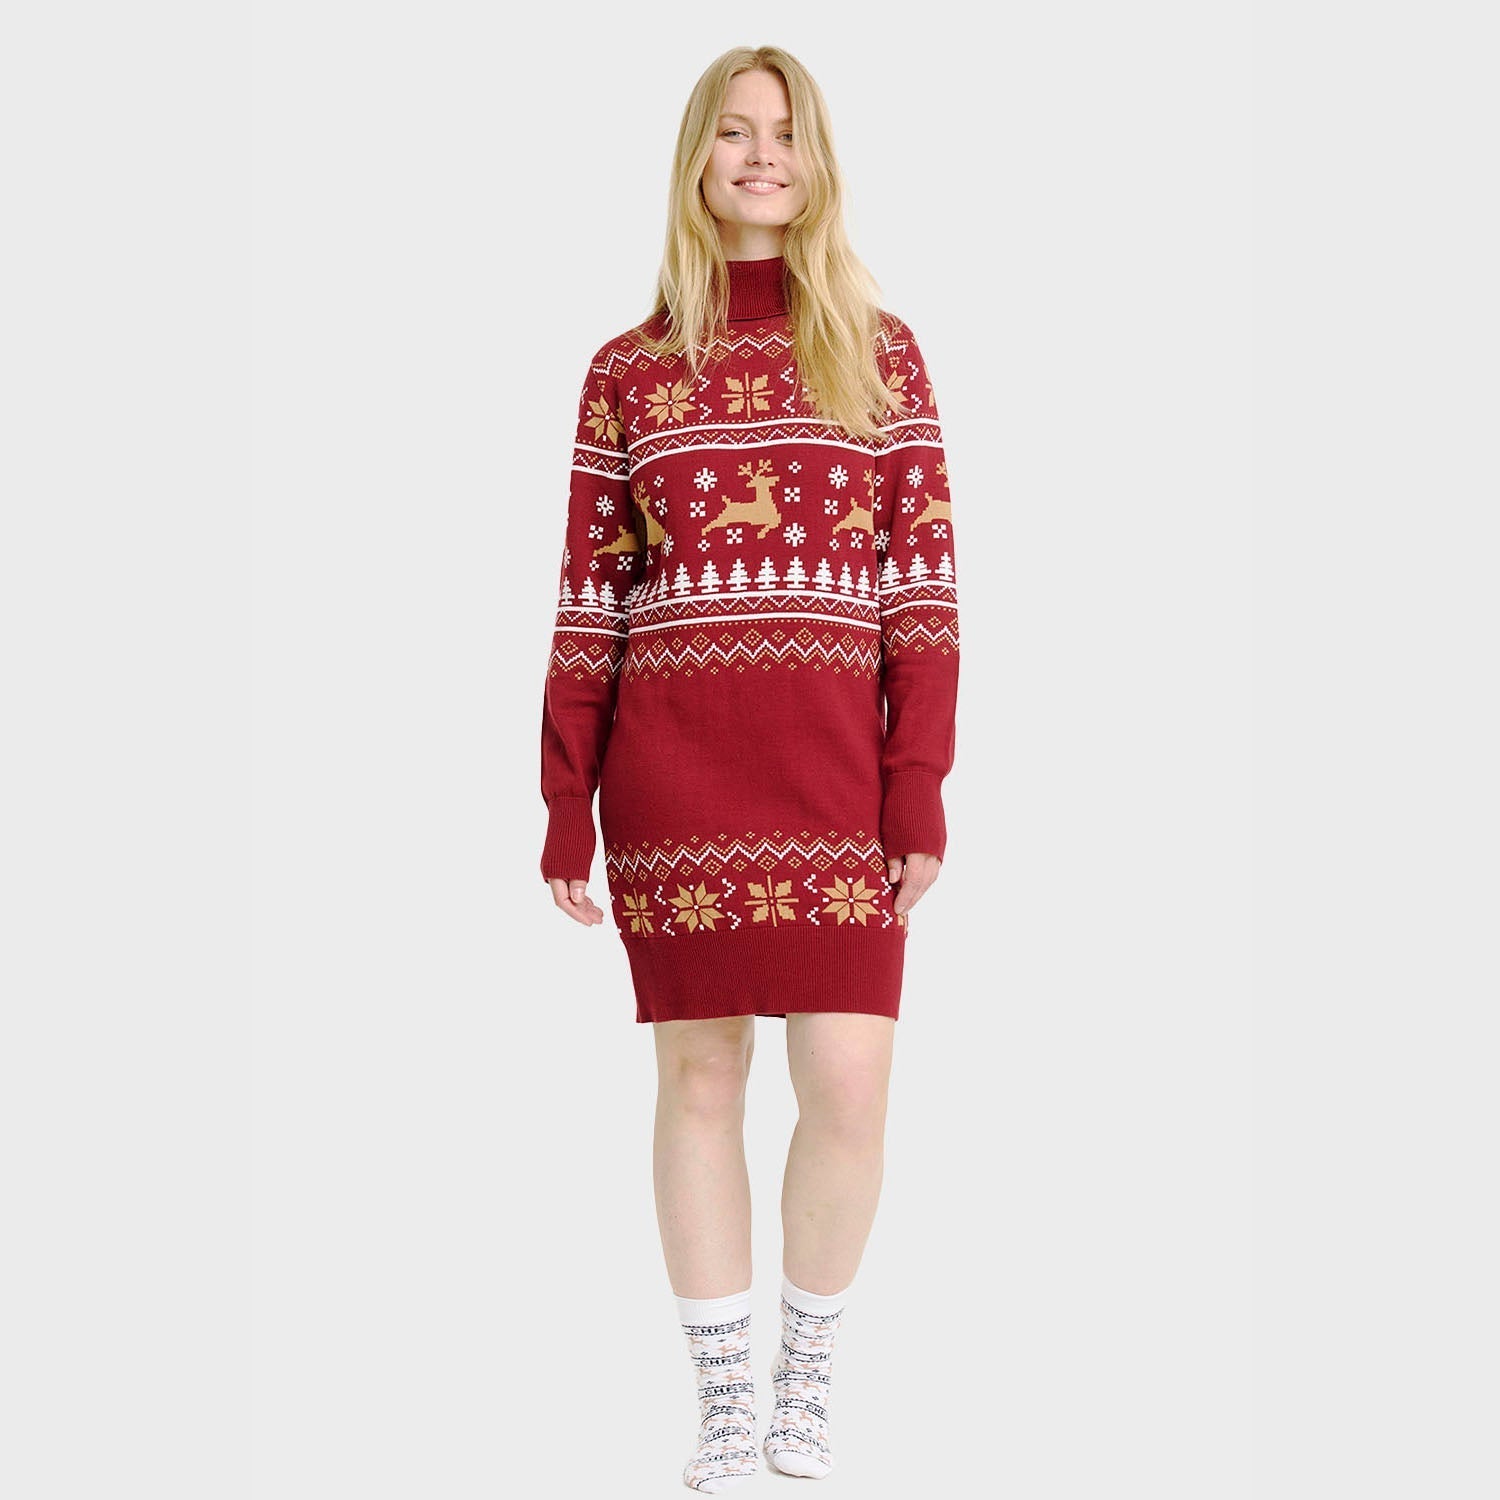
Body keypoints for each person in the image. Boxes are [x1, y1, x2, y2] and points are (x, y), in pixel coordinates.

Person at [538, 44, 960, 1492]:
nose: (761, 155)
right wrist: (566, 798)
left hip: (838, 780)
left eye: (785, 132)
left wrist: (916, 782)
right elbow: (591, 597)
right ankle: (725, 1395)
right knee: (702, 1079)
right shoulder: (627, 373)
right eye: (734, 131)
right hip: (677, 778)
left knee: (849, 1083)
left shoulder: (882, 354)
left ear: (816, 160)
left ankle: (808, 1372)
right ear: (698, 160)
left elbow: (922, 594)